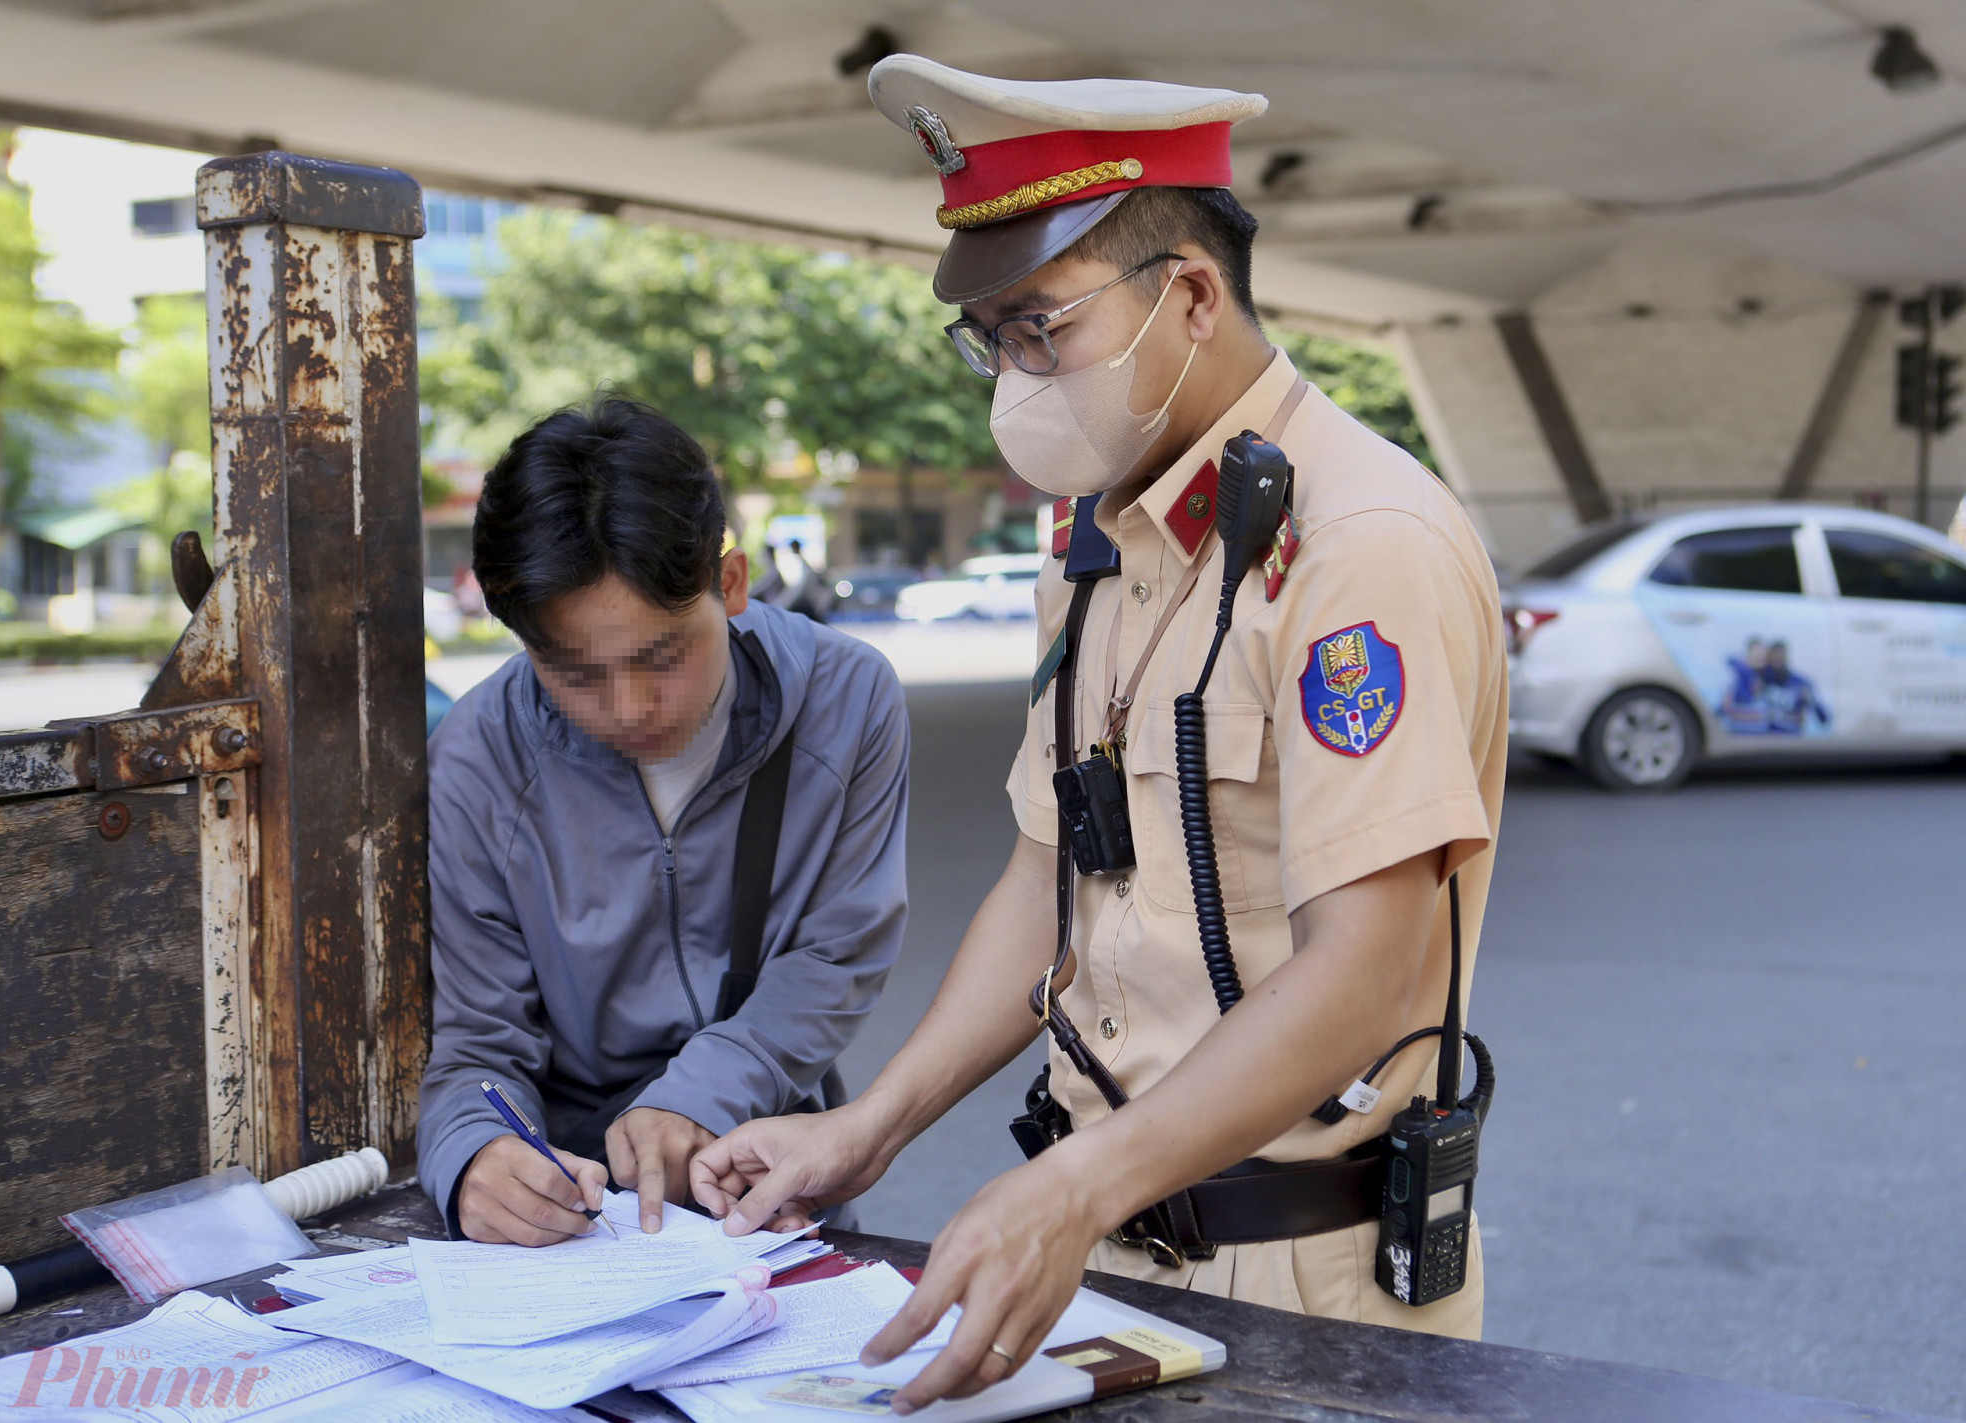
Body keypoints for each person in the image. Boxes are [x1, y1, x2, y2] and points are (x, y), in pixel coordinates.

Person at [692, 55, 1509, 1410]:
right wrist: (866, 1128)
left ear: (1190, 296)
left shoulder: (1362, 543)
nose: (1011, 376)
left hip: (1299, 1267)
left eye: (1040, 328)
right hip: (1104, 1245)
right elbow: (1049, 873)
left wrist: (1067, 1186)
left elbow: (1367, 970)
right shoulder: (1093, 544)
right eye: (990, 338)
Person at [416, 395, 912, 1245]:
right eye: (573, 675)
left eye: (663, 657)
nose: (630, 709)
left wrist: (698, 1094)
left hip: (763, 1173)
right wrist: (475, 1151)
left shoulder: (848, 698)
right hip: (573, 1210)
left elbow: (836, 955)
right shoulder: (477, 755)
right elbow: (479, 1042)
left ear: (730, 583)